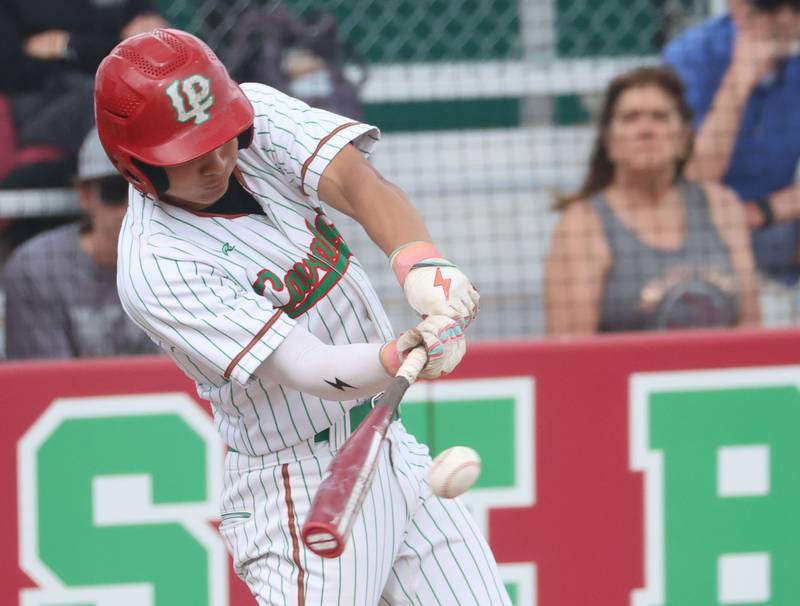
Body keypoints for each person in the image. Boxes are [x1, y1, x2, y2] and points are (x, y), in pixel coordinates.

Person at [94, 29, 505, 605]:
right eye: (190, 154)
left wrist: (421, 266)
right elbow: (308, 366)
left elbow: (355, 182)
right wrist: (403, 350)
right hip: (298, 482)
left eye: (221, 138)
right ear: (135, 165)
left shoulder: (253, 114)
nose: (217, 159)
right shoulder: (156, 264)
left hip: (386, 444)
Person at [544, 66, 761, 335]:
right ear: (610, 141)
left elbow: (751, 326)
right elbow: (571, 351)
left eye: (660, 117)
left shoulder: (721, 206)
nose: (646, 130)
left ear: (682, 138)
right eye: (630, 118)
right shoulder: (582, 224)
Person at [663, 0, 800, 283]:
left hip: (777, 228)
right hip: (696, 232)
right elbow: (696, 177)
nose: (786, 17)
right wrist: (739, 80)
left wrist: (765, 211)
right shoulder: (688, 57)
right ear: (736, 5)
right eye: (770, 3)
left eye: (797, 5)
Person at [3, 128, 158, 358]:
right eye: (115, 189)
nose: (132, 205)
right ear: (85, 194)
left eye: (146, 189)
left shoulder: (188, 259)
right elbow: (44, 382)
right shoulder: (37, 266)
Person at [0, 0, 167, 186]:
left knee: (142, 96)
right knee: (103, 102)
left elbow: (147, 50)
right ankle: (116, 206)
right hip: (40, 104)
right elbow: (14, 71)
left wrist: (68, 45)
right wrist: (108, 49)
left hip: (114, 85)